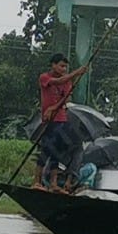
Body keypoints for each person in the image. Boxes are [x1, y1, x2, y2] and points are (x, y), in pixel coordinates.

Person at [33, 53, 88, 190]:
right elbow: (58, 82)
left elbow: (66, 99)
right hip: (49, 120)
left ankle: (53, 183)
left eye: (65, 67)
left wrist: (55, 107)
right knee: (46, 149)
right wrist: (77, 72)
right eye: (61, 66)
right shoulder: (45, 77)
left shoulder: (67, 82)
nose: (63, 69)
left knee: (56, 152)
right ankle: (37, 181)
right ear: (53, 65)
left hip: (61, 119)